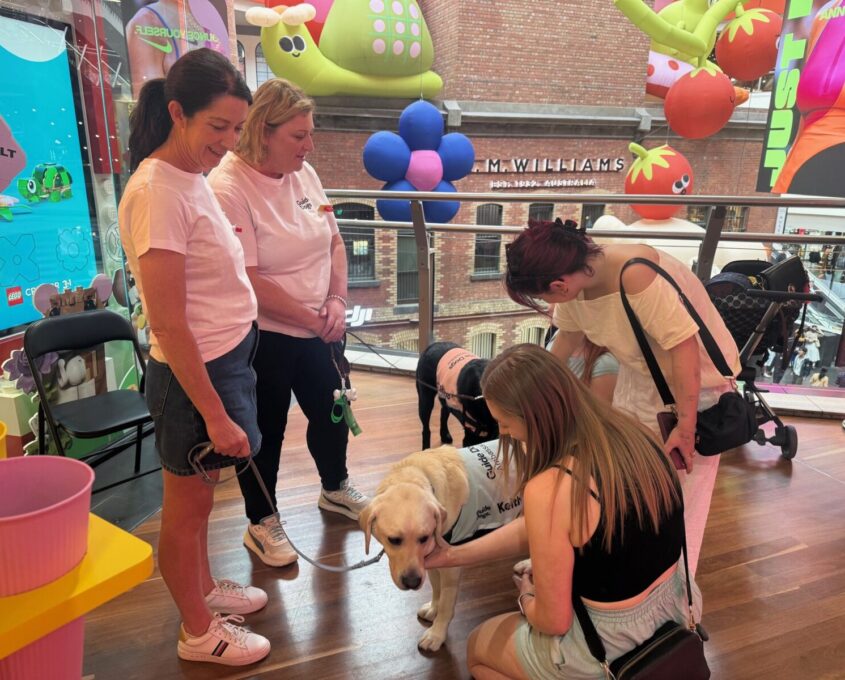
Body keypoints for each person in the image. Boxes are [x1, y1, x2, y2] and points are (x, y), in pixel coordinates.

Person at [118, 48, 270, 666]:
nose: (230, 142)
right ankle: (198, 632)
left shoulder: (189, 178)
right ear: (178, 113)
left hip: (221, 361)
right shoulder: (157, 190)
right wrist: (214, 413)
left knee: (201, 501)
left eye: (237, 128)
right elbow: (169, 323)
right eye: (218, 128)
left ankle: (206, 592)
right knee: (184, 511)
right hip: (193, 377)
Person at [425, 344, 700, 680]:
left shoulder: (553, 487)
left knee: (478, 648)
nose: (505, 435)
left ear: (534, 417)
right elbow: (541, 527)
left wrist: (526, 596)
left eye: (506, 424)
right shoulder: (637, 437)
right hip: (675, 608)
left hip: (606, 645)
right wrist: (452, 555)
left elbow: (554, 620)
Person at [504, 218, 740, 572]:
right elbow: (564, 342)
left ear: (558, 285)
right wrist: (531, 393)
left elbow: (684, 350)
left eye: (542, 297)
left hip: (696, 386)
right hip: (641, 373)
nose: (546, 304)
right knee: (623, 474)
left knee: (676, 498)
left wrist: (687, 427)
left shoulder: (635, 275)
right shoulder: (576, 283)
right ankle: (626, 568)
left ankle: (676, 598)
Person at [208, 78, 368, 568]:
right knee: (265, 431)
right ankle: (262, 521)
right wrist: (313, 319)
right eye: (298, 135)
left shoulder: (306, 174)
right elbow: (249, 278)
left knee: (332, 412)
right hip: (265, 337)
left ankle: (335, 488)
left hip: (320, 326)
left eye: (310, 133)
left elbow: (335, 241)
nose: (309, 145)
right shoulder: (229, 186)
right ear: (264, 131)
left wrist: (337, 299)